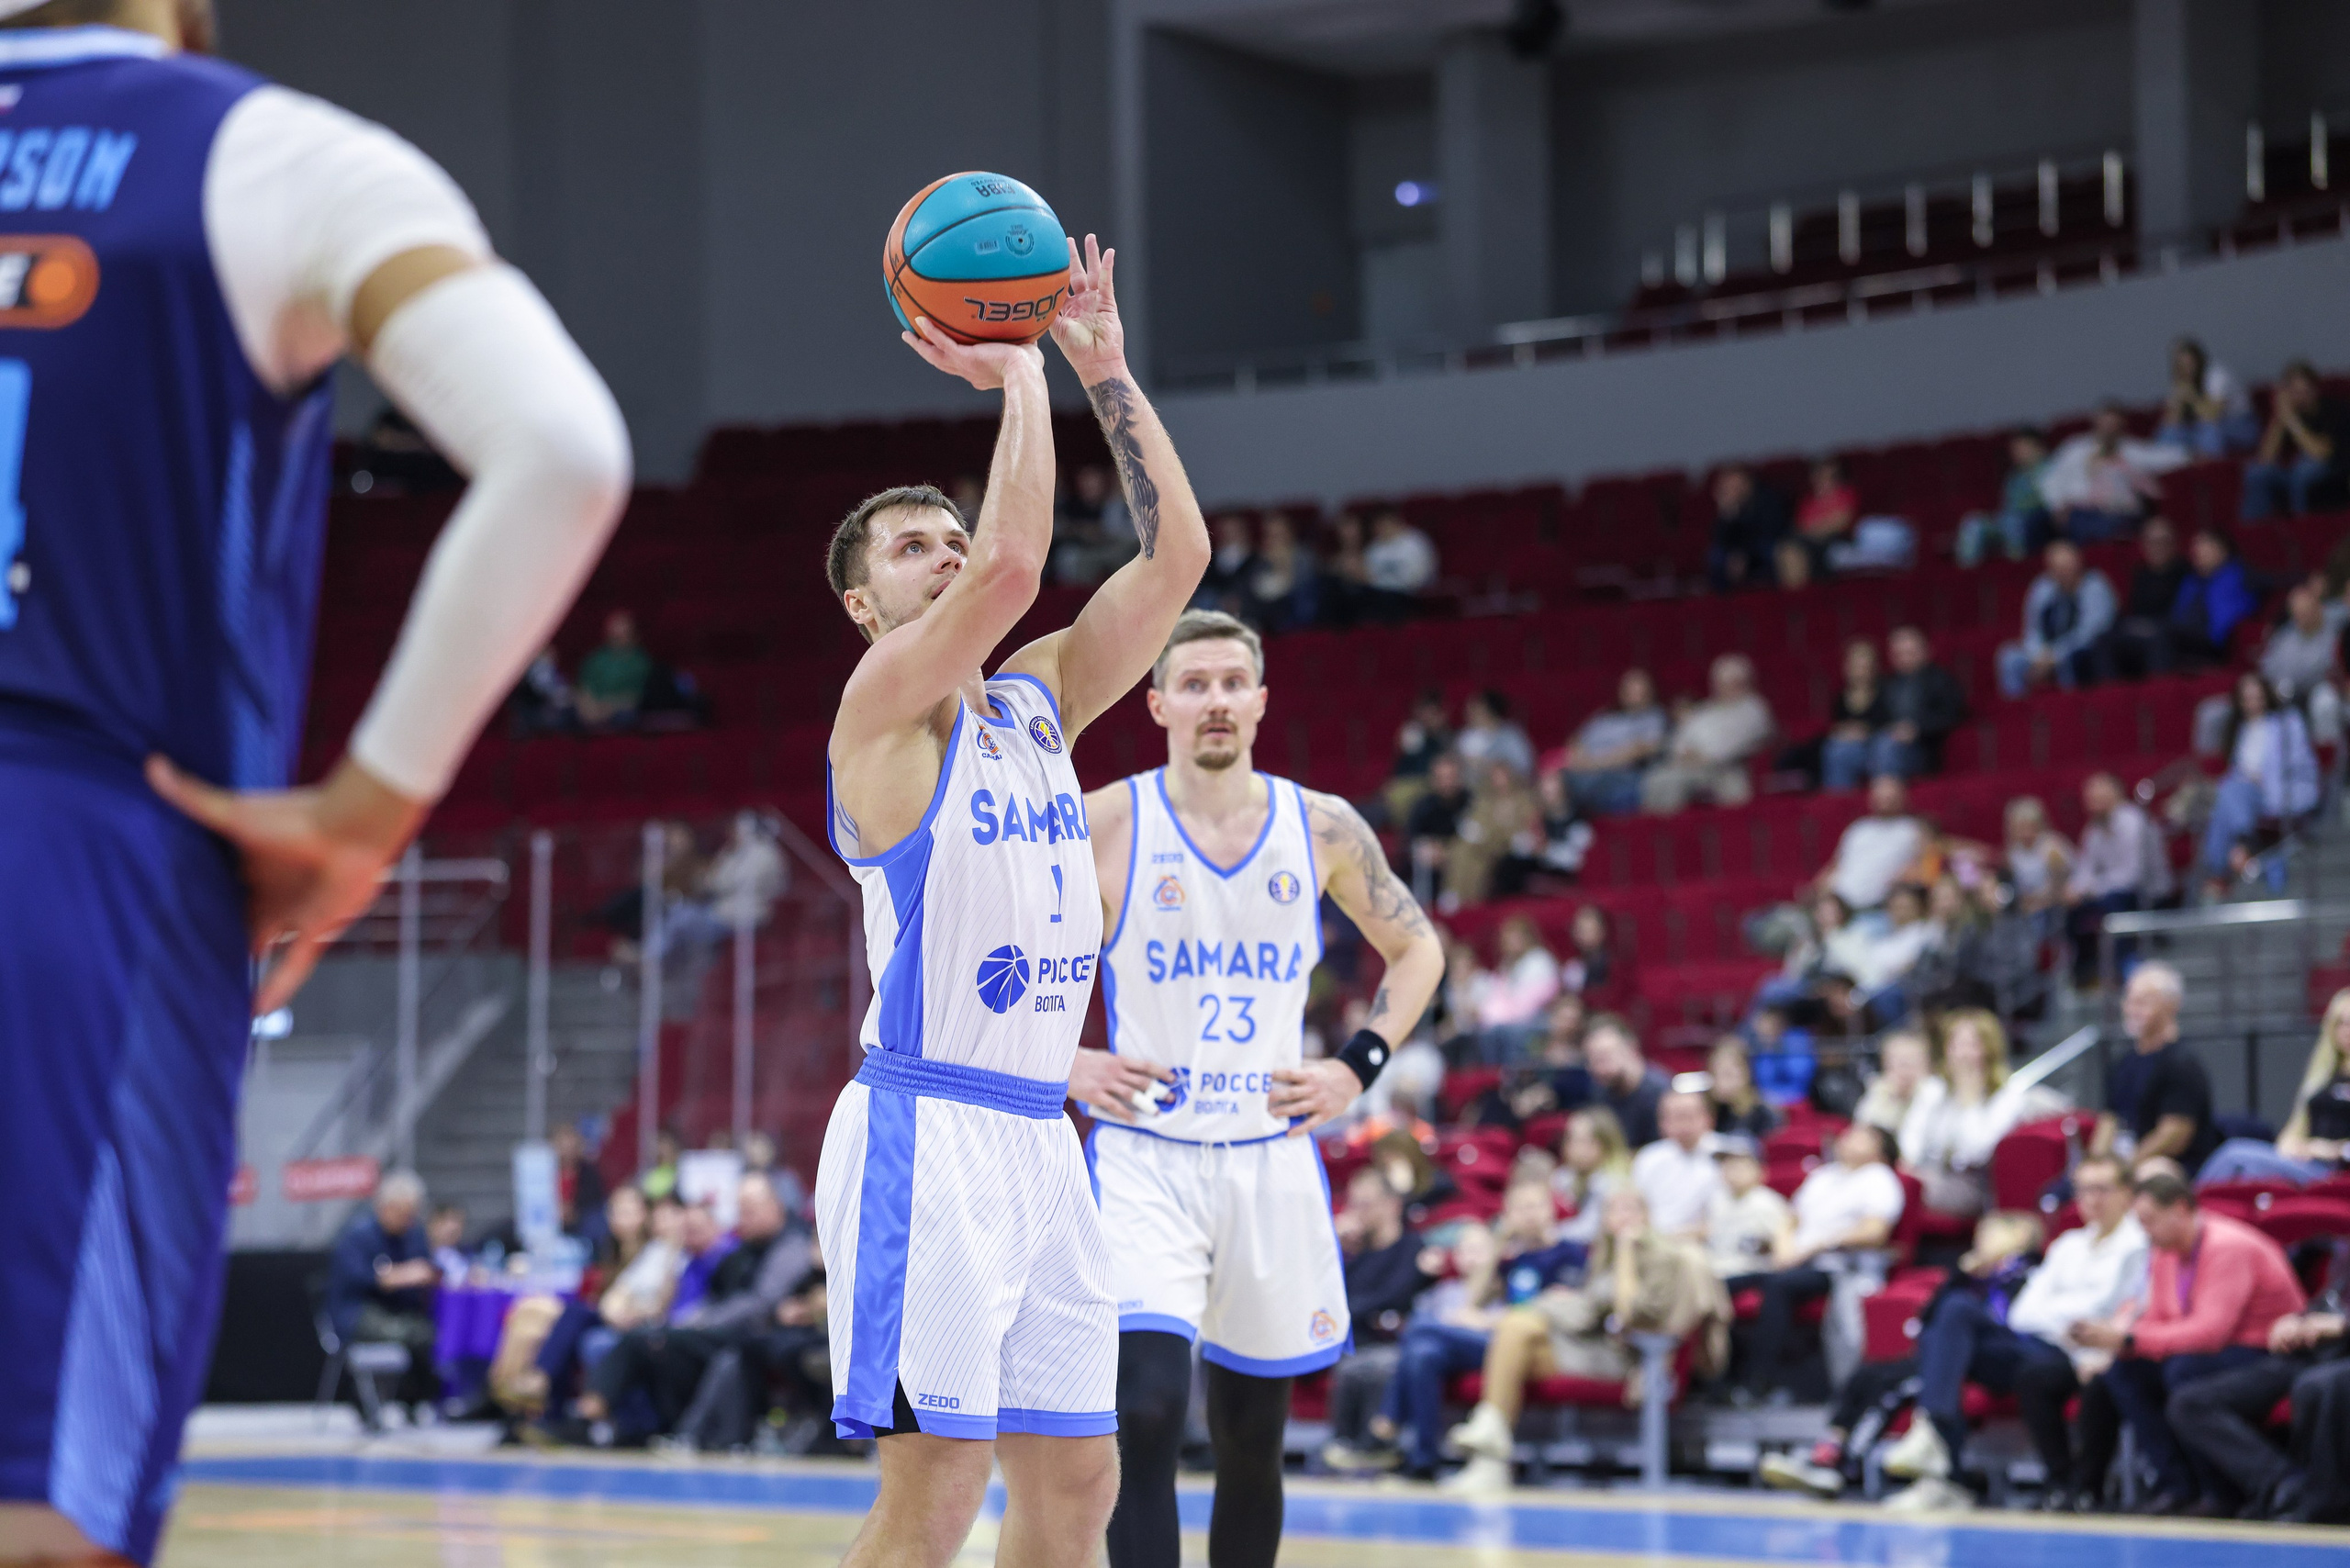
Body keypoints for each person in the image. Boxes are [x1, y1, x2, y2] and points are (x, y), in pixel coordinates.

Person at [0, 6, 633, 1559]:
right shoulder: (264, 154)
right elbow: (561, 450)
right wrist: (365, 811)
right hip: (72, 846)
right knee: (39, 1504)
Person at [817, 232, 1208, 1568]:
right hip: (925, 1132)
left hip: (1041, 1138)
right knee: (935, 1496)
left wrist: (1106, 372)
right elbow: (1010, 569)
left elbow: (1176, 563)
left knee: (1080, 1483)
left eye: (949, 533)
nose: (945, 554)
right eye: (911, 549)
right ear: (864, 605)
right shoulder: (880, 707)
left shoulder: (1039, 698)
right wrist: (1020, 372)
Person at [1071, 607, 1444, 1568]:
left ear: (1262, 700)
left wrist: (1355, 1065)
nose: (1215, 700)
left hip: (1267, 1157)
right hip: (1145, 1156)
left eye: (1232, 682)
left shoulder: (1321, 825)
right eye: (1193, 683)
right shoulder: (1105, 820)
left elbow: (1418, 949)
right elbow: (998, 951)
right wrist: (1063, 1061)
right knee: (1145, 1409)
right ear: (1157, 703)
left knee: (1250, 1438)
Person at [1442, 1187, 1728, 1495]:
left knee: (1516, 1326)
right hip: (1592, 1346)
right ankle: (1488, 1459)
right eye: (1616, 1210)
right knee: (1515, 1327)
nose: (1624, 1217)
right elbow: (1586, 1311)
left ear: (1647, 1216)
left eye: (1632, 1209)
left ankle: (1489, 1441)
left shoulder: (1663, 1258)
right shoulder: (1602, 1256)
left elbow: (1630, 1313)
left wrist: (1626, 1254)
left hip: (1630, 1359)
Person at [2070, 1172, 2305, 1514]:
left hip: (2272, 1353)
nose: (2145, 1231)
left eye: (2149, 1220)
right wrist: (2119, 1342)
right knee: (2125, 1371)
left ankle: (2220, 1492)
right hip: (2223, 1351)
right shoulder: (2164, 1251)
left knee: (2183, 1369)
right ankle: (2178, 1486)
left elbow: (2210, 1333)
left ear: (2180, 1209)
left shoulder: (2227, 1247)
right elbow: (2158, 1316)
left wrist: (2129, 1338)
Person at [1387, 1180, 1582, 1482]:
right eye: (1520, 1209)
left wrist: (1491, 1321)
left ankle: (1387, 1421)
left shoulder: (1570, 1253)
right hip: (1490, 1342)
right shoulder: (1511, 1259)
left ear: (1550, 1210)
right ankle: (1424, 1460)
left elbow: (1564, 1310)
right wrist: (1498, 1243)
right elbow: (1472, 1300)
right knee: (1424, 1353)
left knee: (1421, 1328)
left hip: (1535, 1347)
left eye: (1535, 1206)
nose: (1529, 1215)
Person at [1723, 1122, 1906, 1403]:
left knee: (1779, 1286)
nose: (1848, 1138)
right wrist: (1784, 1248)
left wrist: (1817, 1245)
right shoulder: (1823, 1175)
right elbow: (1790, 1219)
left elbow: (1874, 1232)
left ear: (1881, 1153)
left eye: (1861, 1138)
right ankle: (1715, 1380)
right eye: (1850, 1134)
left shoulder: (1880, 1179)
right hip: (1796, 1259)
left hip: (1837, 1266)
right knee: (1725, 1285)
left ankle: (1757, 1382)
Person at [1318, 1167, 1438, 1472]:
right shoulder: (1355, 1254)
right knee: (1351, 1365)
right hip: (1351, 1341)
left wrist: (1353, 1312)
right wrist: (1334, 1247)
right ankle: (1344, 1445)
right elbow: (1326, 1297)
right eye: (1353, 1204)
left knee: (1377, 1366)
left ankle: (1375, 1447)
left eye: (1365, 1204)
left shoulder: (1413, 1247)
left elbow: (1395, 1297)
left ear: (1391, 1205)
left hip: (1393, 1344)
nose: (1356, 1213)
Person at [1898, 1010, 2039, 1220]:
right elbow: (1911, 1132)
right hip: (1927, 1171)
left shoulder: (2008, 1095)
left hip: (1974, 1183)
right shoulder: (1935, 1088)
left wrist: (1970, 1099)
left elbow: (1976, 1151)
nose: (1961, 1054)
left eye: (1971, 1045)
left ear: (1989, 1051)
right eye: (1955, 1045)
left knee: (1896, 1190)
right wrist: (1911, 1164)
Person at [2201, 988, 2350, 1185]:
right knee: (2245, 1172)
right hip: (2306, 1164)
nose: (2346, 1030)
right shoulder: (2323, 1076)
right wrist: (2293, 1145)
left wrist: (2334, 1150)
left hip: (2335, 1171)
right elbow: (2294, 1130)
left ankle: (2188, 1200)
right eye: (2340, 1023)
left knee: (2234, 1155)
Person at [2087, 963, 2221, 1179]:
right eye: (2129, 1000)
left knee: (2150, 1174)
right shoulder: (2123, 1062)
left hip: (2171, 1170)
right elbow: (2109, 1120)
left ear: (2171, 1005)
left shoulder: (2181, 1062)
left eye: (2143, 1002)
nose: (2132, 1009)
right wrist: (2095, 1163)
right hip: (2125, 1165)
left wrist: (2124, 1169)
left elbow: (2174, 1135)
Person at [324, 1170, 442, 1415]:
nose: (407, 1220)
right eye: (402, 1213)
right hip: (357, 1313)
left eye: (411, 1214)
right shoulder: (357, 1236)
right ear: (385, 1207)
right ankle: (367, 1397)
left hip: (399, 1311)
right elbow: (363, 1278)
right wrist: (398, 1276)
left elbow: (428, 1269)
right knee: (413, 1334)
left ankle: (414, 1398)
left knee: (431, 1332)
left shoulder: (413, 1235)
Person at [2199, 671, 2320, 896]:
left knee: (2228, 793)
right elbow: (2237, 770)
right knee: (2229, 791)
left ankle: (2223, 868)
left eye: (2257, 697)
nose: (2252, 703)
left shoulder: (2287, 722)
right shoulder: (2240, 730)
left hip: (2277, 792)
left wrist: (2265, 777)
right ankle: (2242, 846)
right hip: (2245, 797)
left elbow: (2301, 762)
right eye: (2247, 698)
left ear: (2266, 696)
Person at [2062, 772, 2169, 988]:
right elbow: (2086, 868)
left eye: (2097, 797)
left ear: (2114, 795)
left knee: (2114, 903)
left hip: (2148, 895)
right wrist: (2075, 889)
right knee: (2073, 911)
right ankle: (2085, 973)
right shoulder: (2094, 829)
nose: (2091, 803)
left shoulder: (2134, 822)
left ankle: (2125, 966)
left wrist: (2090, 889)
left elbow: (2131, 876)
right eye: (2089, 798)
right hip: (2111, 892)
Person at [1639, 653, 1774, 813]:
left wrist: (1701, 755)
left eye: (1732, 683)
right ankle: (1656, 826)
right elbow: (1680, 739)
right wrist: (1684, 753)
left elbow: (1732, 747)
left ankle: (1676, 826)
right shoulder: (1707, 709)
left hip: (1726, 771)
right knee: (1654, 778)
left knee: (1672, 783)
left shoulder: (1754, 709)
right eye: (1721, 684)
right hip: (1691, 767)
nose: (1725, 688)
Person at [2040, 401, 2181, 541]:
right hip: (2077, 510)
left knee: (2106, 524)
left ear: (2122, 426)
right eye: (2105, 423)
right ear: (2096, 422)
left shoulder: (2131, 450)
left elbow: (2169, 457)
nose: (2108, 429)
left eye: (2113, 425)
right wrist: (2057, 506)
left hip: (2117, 512)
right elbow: (2050, 479)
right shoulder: (2075, 448)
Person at [1997, 539, 2116, 698]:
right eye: (2057, 569)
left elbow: (2090, 633)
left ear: (2078, 564)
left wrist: (2056, 655)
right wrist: (2039, 656)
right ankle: (2018, 708)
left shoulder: (2095, 586)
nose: (2063, 574)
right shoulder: (2042, 586)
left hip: (2078, 651)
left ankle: (2071, 705)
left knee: (2069, 660)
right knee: (2009, 657)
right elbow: (2032, 629)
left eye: (2067, 568)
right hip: (2044, 652)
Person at [2084, 515, 2189, 684]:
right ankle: (2112, 694)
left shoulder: (2186, 572)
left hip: (2168, 631)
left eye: (2162, 542)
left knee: (2159, 639)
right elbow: (2132, 609)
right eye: (2152, 542)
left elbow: (2185, 615)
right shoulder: (2140, 573)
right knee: (2103, 640)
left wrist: (2153, 626)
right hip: (2138, 630)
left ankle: (2160, 692)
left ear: (2174, 544)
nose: (2157, 548)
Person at [2243, 360, 2349, 520]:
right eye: (2295, 392)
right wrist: (2280, 419)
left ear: (2315, 390)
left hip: (2331, 469)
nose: (2300, 398)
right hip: (2290, 472)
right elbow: (2265, 458)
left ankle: (2300, 525)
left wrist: (2292, 421)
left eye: (2304, 391)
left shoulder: (2332, 410)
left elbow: (2320, 453)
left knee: (2303, 471)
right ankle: (2253, 529)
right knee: (2256, 473)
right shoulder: (2287, 415)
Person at [1807, 773, 1925, 913]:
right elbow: (1835, 866)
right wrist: (1814, 891)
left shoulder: (1913, 829)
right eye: (1880, 795)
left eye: (1890, 796)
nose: (1885, 799)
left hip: (1876, 908)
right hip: (1835, 905)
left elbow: (1925, 863)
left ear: (1902, 797)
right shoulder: (1859, 828)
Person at [1560, 667, 1669, 817]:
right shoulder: (1605, 716)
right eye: (1630, 690)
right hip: (1585, 773)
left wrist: (1594, 764)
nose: (1635, 695)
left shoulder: (1654, 717)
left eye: (1640, 691)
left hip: (1621, 777)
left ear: (1650, 693)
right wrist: (1579, 759)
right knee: (1556, 780)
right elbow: (1576, 741)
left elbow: (1637, 752)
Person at [1461, 913, 1562, 1061]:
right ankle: (1492, 1072)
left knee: (1503, 1032)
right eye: (1508, 938)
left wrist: (1494, 1017)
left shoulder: (1539, 960)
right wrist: (1485, 1014)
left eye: (1516, 937)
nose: (1511, 942)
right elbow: (1498, 998)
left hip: (1538, 1019)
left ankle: (1509, 1071)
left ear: (1527, 937)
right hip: (1511, 1021)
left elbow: (1529, 1005)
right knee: (1480, 1033)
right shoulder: (1507, 965)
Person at [1630, 1089, 1723, 1237]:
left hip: (1710, 1239)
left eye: (1689, 1116)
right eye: (1676, 1117)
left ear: (1708, 1118)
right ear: (1662, 1123)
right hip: (1657, 1239)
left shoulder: (1729, 1154)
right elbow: (1635, 1205)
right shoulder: (1649, 1158)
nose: (1684, 1125)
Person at [1874, 627, 1965, 779]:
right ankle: (1841, 795)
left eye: (1910, 653)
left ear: (1926, 652)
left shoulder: (1940, 681)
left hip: (1922, 746)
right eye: (1899, 654)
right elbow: (1877, 716)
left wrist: (1916, 729)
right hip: (1884, 740)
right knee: (1843, 750)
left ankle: (1887, 790)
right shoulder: (1886, 683)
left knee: (1886, 746)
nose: (1905, 659)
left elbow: (1953, 715)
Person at [1954, 429, 2053, 566]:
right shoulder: (2013, 477)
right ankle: (1966, 571)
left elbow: (2051, 502)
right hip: (2008, 521)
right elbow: (2006, 507)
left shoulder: (2051, 469)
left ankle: (2017, 566)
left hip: (2037, 521)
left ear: (2038, 447)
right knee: (1972, 522)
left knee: (2013, 523)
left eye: (2022, 447)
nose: (2018, 453)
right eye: (2015, 449)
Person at [1705, 1135, 1792, 1282]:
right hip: (1718, 1270)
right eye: (1726, 1165)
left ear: (1759, 1170)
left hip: (1750, 1272)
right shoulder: (1718, 1200)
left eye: (1738, 1166)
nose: (1731, 1172)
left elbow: (1783, 1249)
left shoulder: (1767, 1202)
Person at [2154, 336, 2257, 456]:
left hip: (2240, 425)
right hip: (2203, 426)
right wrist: (2179, 401)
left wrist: (2191, 396)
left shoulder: (2217, 374)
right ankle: (2161, 462)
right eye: (2180, 365)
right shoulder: (2182, 381)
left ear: (2199, 360)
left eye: (2190, 364)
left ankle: (2206, 465)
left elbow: (2212, 416)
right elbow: (2170, 423)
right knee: (2169, 432)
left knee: (2209, 430)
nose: (2187, 369)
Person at [1813, 639, 1891, 792]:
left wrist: (1866, 730)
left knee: (1882, 747)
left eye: (1864, 667)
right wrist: (1845, 731)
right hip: (1849, 747)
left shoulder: (1886, 691)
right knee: (1835, 748)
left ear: (1874, 668)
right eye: (1856, 667)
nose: (1860, 672)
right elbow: (1835, 724)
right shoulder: (1841, 696)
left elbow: (1890, 723)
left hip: (1876, 746)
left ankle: (1883, 794)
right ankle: (1839, 798)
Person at [1583, 1016, 1669, 1148]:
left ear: (1631, 1049)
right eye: (1593, 1060)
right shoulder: (1599, 1090)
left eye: (1605, 1057)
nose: (1599, 1069)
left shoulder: (1661, 1092)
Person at [1553, 1106, 1634, 1243]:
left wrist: (1547, 1233)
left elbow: (1591, 1231)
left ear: (1606, 1144)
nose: (1575, 1148)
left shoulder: (1615, 1182)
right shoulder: (1563, 1177)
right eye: (1571, 1139)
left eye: (1584, 1141)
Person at [1707, 464, 1789, 592]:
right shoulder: (1730, 507)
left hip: (1763, 547)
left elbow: (1768, 533)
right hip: (1739, 551)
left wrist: (1745, 554)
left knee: (1774, 551)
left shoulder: (1767, 499)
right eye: (1729, 487)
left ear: (1747, 483)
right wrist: (1728, 516)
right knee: (1716, 555)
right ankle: (1723, 598)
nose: (1733, 490)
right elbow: (1721, 540)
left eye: (1736, 485)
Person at [574, 609, 655, 728]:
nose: (617, 638)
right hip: (591, 712)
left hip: (620, 712)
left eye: (622, 634)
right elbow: (583, 688)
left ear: (634, 635)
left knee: (626, 717)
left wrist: (607, 708)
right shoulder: (595, 659)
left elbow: (636, 698)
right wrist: (588, 709)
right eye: (614, 634)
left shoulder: (641, 663)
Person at [1243, 512, 1318, 635]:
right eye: (1270, 535)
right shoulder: (1260, 558)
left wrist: (1282, 564)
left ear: (1289, 534)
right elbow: (1256, 589)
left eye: (1279, 534)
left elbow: (1299, 587)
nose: (1274, 539)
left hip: (1295, 613)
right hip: (1266, 613)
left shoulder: (1304, 556)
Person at [1360, 507, 1437, 618]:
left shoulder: (1416, 542)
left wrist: (1389, 585)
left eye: (1385, 523)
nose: (1381, 528)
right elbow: (1368, 577)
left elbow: (1420, 577)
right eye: (1378, 524)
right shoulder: (1373, 549)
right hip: (1379, 594)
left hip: (1409, 595)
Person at [1853, 1029, 1932, 1136]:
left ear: (1927, 1065)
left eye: (1913, 1061)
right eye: (1899, 1062)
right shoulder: (1877, 1094)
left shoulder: (1936, 1095)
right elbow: (1863, 1131)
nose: (1905, 1070)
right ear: (1885, 1065)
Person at [1706, 1036, 1780, 1139]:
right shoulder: (1710, 1114)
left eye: (1727, 1074)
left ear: (1746, 1073)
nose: (1719, 1082)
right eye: (1714, 1075)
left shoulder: (1764, 1116)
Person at [1792, 456, 1860, 569]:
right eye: (1821, 475)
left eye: (1831, 476)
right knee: (1791, 551)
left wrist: (1818, 528)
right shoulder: (1807, 501)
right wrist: (1824, 525)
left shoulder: (1846, 494)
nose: (1825, 480)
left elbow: (1841, 523)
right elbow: (1802, 528)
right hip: (1809, 546)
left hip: (1837, 543)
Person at [1454, 689, 1535, 781]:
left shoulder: (1511, 736)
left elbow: (1525, 768)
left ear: (1488, 711)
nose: (1467, 712)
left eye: (1474, 708)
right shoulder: (1463, 736)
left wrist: (1487, 766)